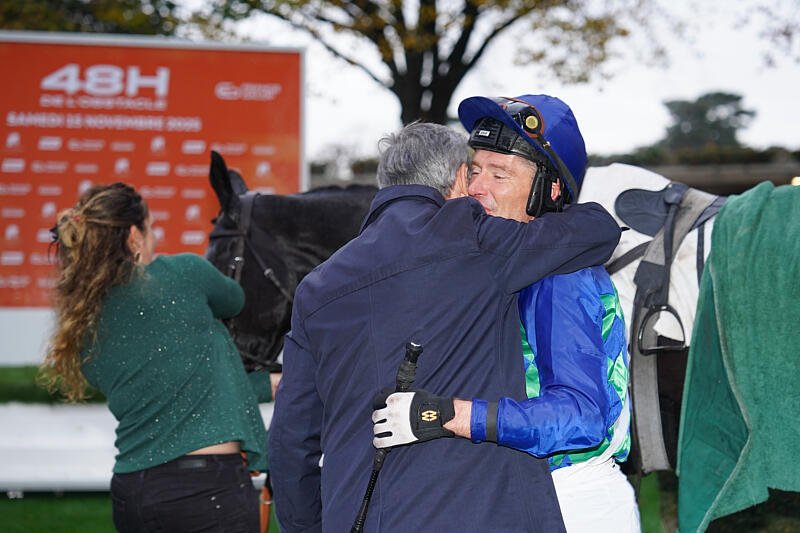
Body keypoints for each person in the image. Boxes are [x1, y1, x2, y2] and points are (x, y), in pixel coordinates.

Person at [268, 121, 622, 532]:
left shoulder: (315, 287)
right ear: (458, 178)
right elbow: (597, 230)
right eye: (474, 173)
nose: (479, 188)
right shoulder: (475, 240)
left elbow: (291, 442)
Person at [372, 95, 639, 532]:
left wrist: (447, 415)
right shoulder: (502, 264)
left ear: (549, 190)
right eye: (474, 171)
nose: (478, 188)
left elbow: (580, 416)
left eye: (500, 175)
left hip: (570, 501)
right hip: (520, 496)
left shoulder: (558, 276)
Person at [40, 183, 271, 533]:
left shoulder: (83, 325)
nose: (155, 238)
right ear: (134, 236)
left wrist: (266, 385)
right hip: (207, 491)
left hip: (133, 491)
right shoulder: (184, 274)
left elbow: (175, 396)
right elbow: (234, 299)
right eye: (151, 228)